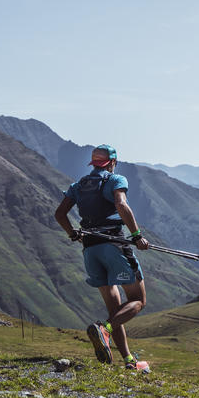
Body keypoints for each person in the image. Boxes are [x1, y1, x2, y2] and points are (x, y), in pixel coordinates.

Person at [55, 144, 149, 368]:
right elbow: (121, 204)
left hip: (90, 249)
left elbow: (60, 214)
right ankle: (103, 330)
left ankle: (128, 360)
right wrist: (136, 235)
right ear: (113, 162)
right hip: (113, 245)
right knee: (138, 300)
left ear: (93, 163)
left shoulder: (77, 186)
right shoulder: (115, 181)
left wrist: (73, 234)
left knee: (115, 311)